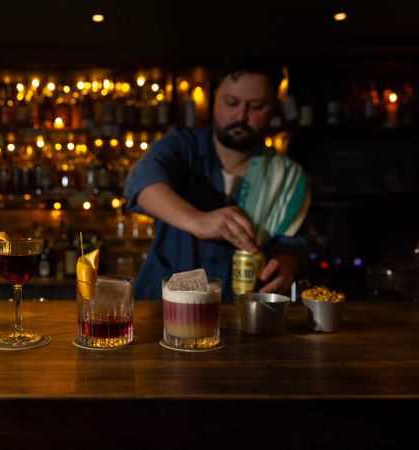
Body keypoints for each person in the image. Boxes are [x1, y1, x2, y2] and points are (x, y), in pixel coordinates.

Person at [124, 50, 312, 301]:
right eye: (231, 103)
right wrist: (198, 220)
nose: (241, 117)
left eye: (256, 106)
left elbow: (294, 241)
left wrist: (285, 264)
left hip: (243, 313)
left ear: (274, 110)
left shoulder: (287, 176)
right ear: (215, 99)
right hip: (164, 308)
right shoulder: (181, 147)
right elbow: (141, 182)